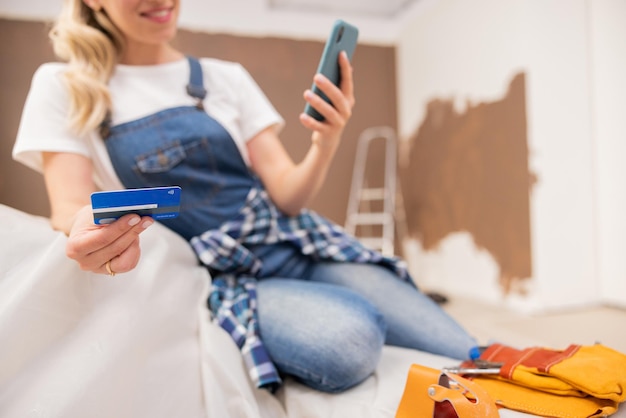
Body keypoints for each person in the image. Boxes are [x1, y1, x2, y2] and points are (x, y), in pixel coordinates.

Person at [13, 0, 477, 394]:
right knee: (351, 343)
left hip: (299, 244)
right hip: (233, 277)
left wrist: (326, 140)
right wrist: (89, 235)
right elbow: (69, 205)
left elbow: (288, 197)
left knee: (466, 351)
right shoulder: (65, 86)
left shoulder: (224, 77)